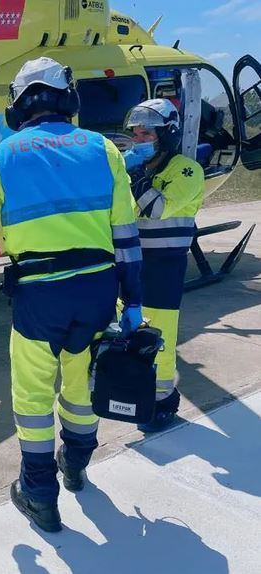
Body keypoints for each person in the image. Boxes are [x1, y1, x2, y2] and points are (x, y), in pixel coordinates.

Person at [0, 57, 143, 532]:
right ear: (69, 99)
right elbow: (126, 236)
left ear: (19, 106)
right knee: (81, 384)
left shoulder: (4, 155)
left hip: (39, 295)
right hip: (100, 289)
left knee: (33, 394)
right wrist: (134, 299)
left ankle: (39, 493)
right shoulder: (104, 150)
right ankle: (76, 464)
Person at [122, 98, 205, 433]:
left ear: (166, 133)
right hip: (132, 264)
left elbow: (156, 210)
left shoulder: (185, 170)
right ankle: (136, 393)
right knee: (129, 334)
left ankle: (163, 401)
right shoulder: (141, 171)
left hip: (163, 266)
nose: (140, 140)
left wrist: (132, 173)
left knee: (161, 340)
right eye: (136, 134)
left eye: (147, 133)